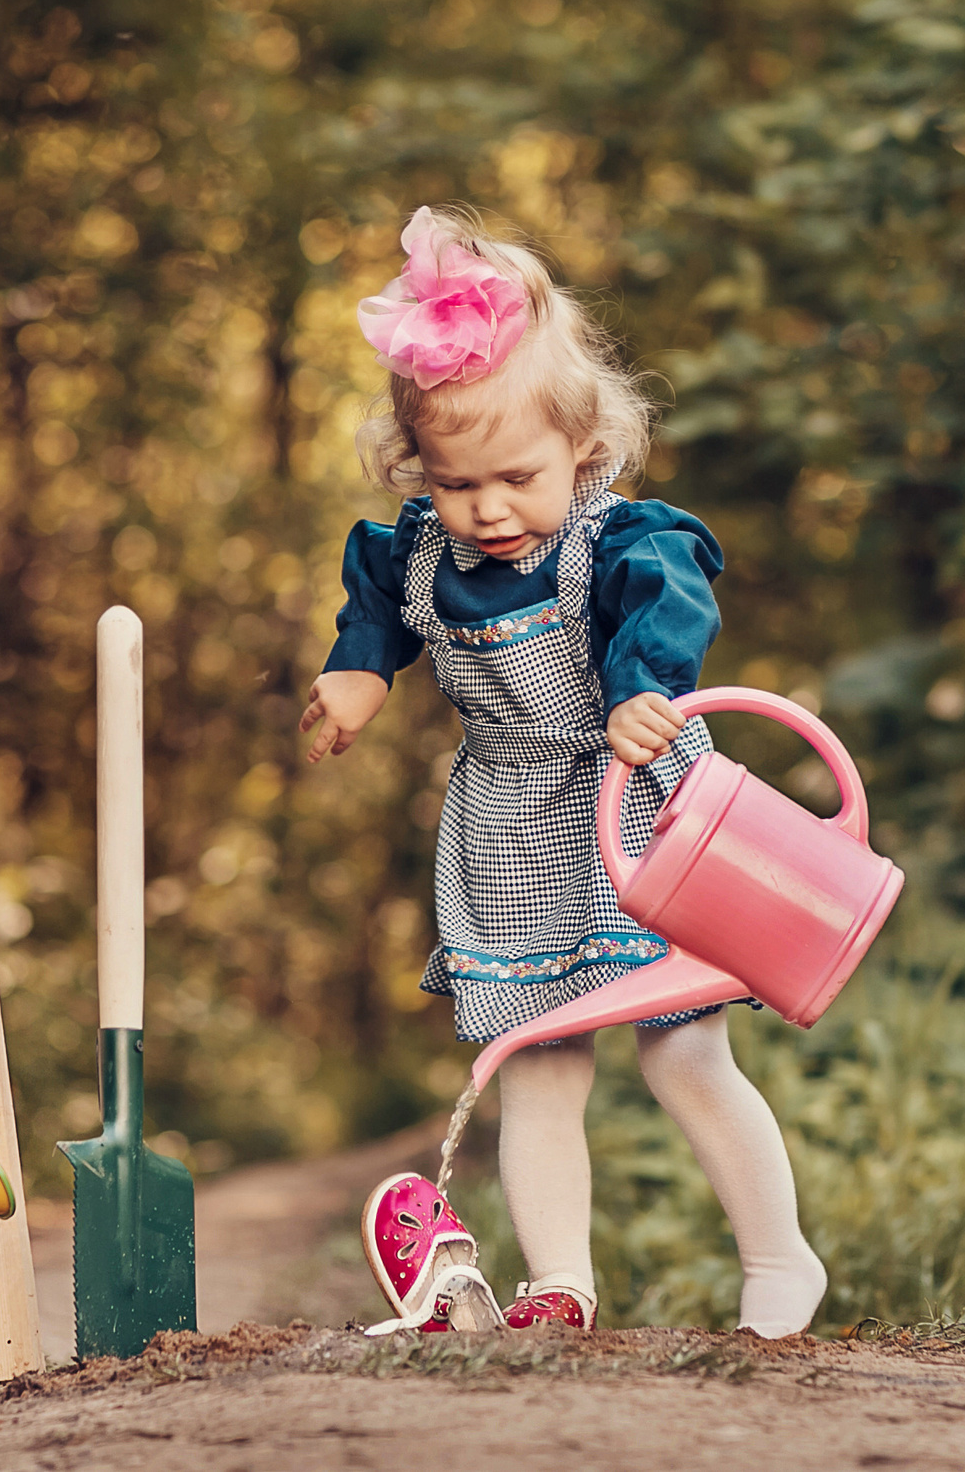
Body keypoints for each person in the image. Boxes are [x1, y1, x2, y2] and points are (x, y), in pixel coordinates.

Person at [303, 205, 828, 1339]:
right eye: (455, 483)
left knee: (685, 1050)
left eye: (516, 476)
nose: (487, 508)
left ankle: (780, 1256)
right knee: (534, 1061)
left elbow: (667, 603)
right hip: (508, 820)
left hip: (634, 800)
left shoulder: (622, 538)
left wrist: (646, 684)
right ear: (419, 468)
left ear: (583, 446)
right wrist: (359, 673)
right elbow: (377, 609)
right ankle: (560, 1287)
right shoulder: (420, 551)